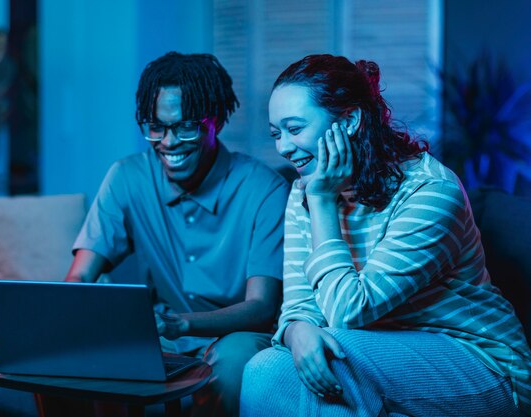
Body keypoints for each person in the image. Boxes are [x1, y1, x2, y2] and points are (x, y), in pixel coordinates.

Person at [240, 54, 531, 417]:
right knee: (264, 369)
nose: (282, 147)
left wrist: (323, 204)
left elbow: (349, 311)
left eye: (295, 128)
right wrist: (297, 331)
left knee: (334, 359)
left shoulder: (431, 192)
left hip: (479, 361)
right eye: (276, 133)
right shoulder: (305, 190)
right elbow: (300, 303)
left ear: (349, 120)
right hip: (375, 351)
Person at [65, 51, 289, 417]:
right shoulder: (127, 177)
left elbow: (262, 308)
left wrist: (181, 323)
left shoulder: (264, 190)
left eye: (186, 126)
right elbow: (81, 275)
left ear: (215, 120)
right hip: (160, 333)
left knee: (230, 364)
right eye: (156, 127)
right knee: (90, 354)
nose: (169, 142)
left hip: (238, 335)